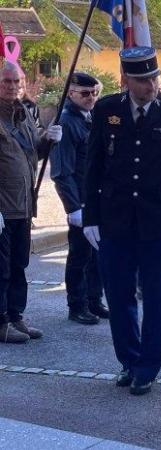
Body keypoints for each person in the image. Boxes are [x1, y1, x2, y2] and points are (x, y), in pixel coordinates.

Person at [83, 47, 161, 395]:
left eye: (153, 78)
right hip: (115, 220)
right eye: (142, 79)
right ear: (126, 80)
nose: (150, 85)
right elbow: (94, 166)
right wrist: (90, 217)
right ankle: (129, 359)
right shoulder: (107, 110)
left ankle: (148, 365)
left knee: (156, 296)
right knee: (118, 295)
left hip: (157, 223)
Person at [0, 61, 62, 343]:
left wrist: (47, 140)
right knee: (1, 268)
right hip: (2, 209)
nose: (13, 87)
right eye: (7, 82)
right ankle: (1, 323)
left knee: (19, 265)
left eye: (17, 82)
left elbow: (31, 154)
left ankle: (16, 316)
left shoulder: (23, 112)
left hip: (23, 206)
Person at [50, 72, 109, 324]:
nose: (91, 98)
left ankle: (94, 300)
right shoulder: (65, 122)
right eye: (85, 93)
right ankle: (77, 305)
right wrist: (73, 207)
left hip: (98, 199)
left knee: (97, 254)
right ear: (71, 93)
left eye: (95, 92)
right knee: (80, 254)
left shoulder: (93, 117)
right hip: (82, 201)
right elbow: (62, 171)